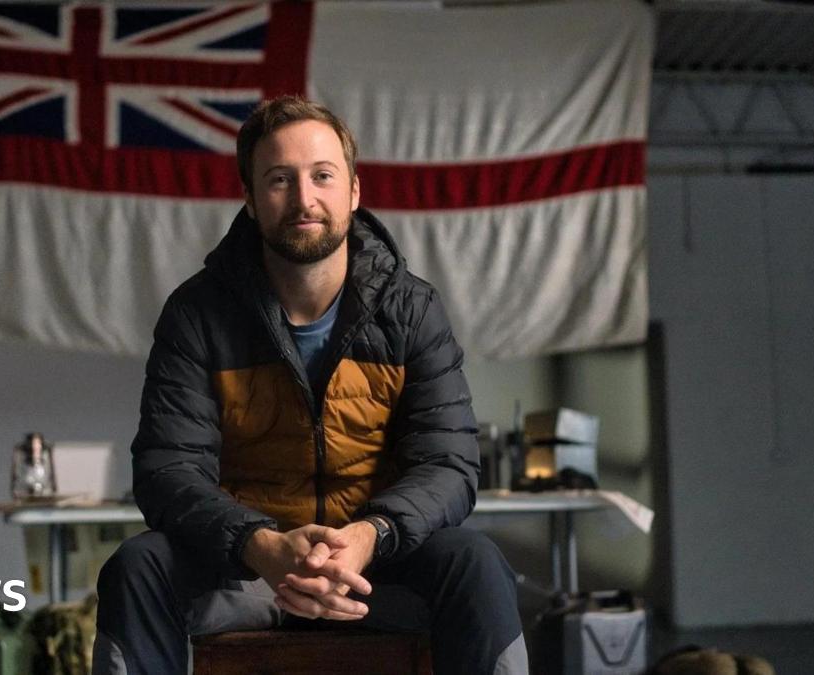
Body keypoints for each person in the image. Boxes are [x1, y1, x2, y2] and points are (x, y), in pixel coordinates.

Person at [93, 96, 528, 674]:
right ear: (250, 199)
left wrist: (371, 536)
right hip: (245, 572)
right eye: (279, 180)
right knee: (137, 566)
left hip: (374, 570)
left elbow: (449, 464)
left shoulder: (413, 310)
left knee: (476, 562)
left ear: (352, 190)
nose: (304, 199)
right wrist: (262, 546)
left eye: (322, 176)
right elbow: (167, 471)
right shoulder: (196, 314)